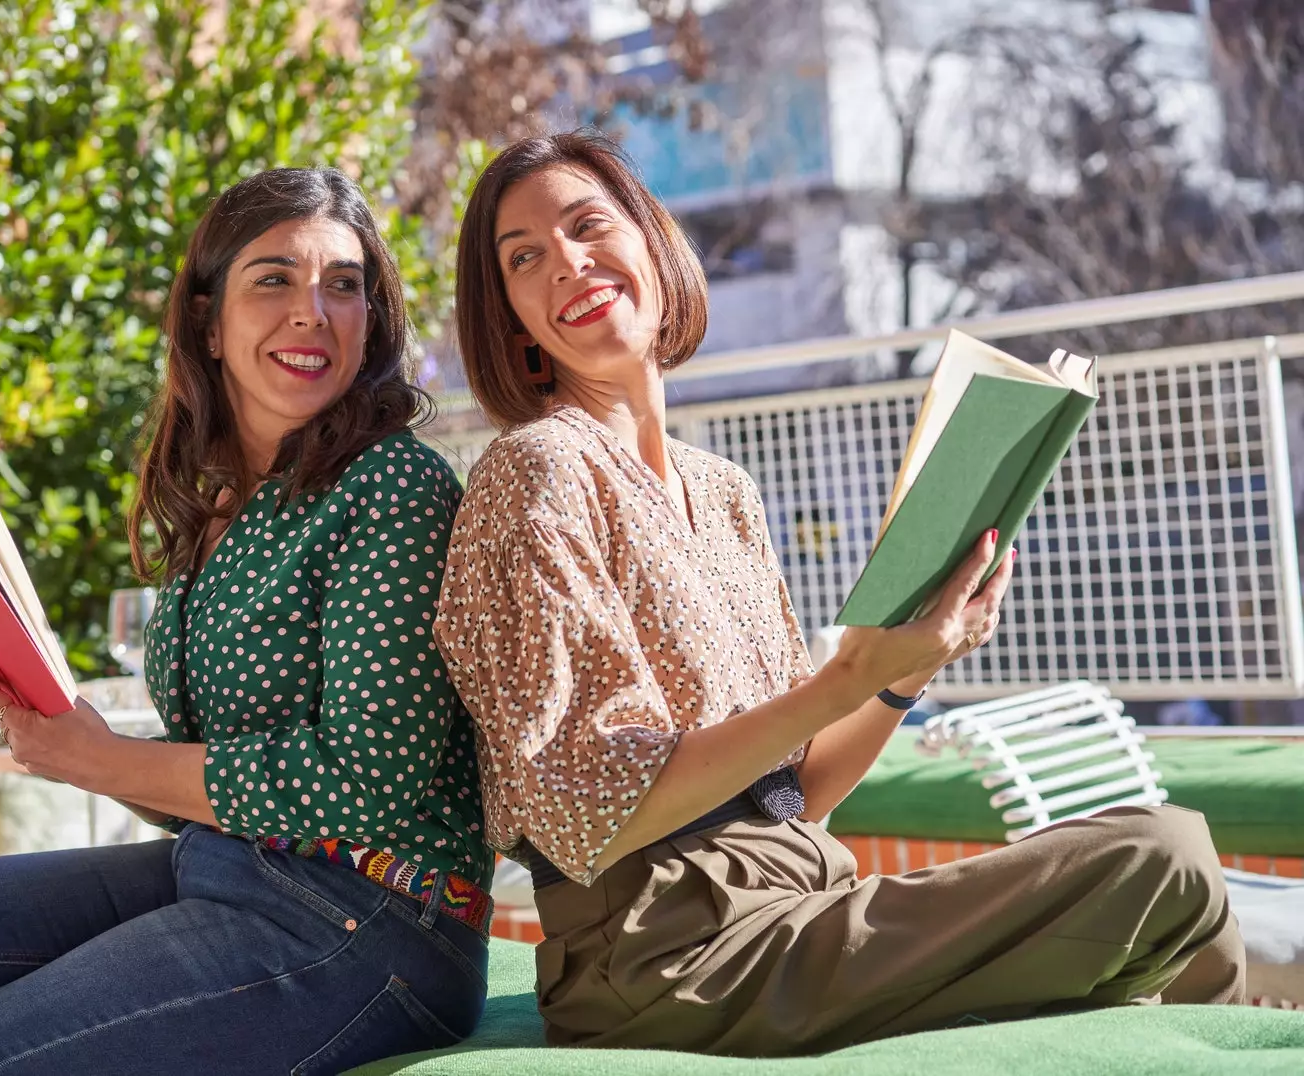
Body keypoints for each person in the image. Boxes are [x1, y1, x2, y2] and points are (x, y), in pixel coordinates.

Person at [433, 128, 1243, 1058]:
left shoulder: (724, 491)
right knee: (1162, 857)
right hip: (669, 958)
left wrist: (905, 671)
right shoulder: (537, 473)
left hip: (799, 902)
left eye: (588, 225)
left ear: (655, 245)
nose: (567, 262)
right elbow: (584, 811)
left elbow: (798, 790)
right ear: (512, 318)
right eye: (524, 257)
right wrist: (848, 675)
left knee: (1170, 872)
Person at [0, 169, 493, 1076]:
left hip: (372, 920)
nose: (313, 311)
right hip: (224, 868)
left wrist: (100, 761)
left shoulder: (393, 487)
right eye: (274, 279)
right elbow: (216, 779)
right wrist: (66, 740)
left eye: (343, 285)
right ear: (209, 324)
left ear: (372, 321)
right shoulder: (221, 504)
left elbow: (370, 785)